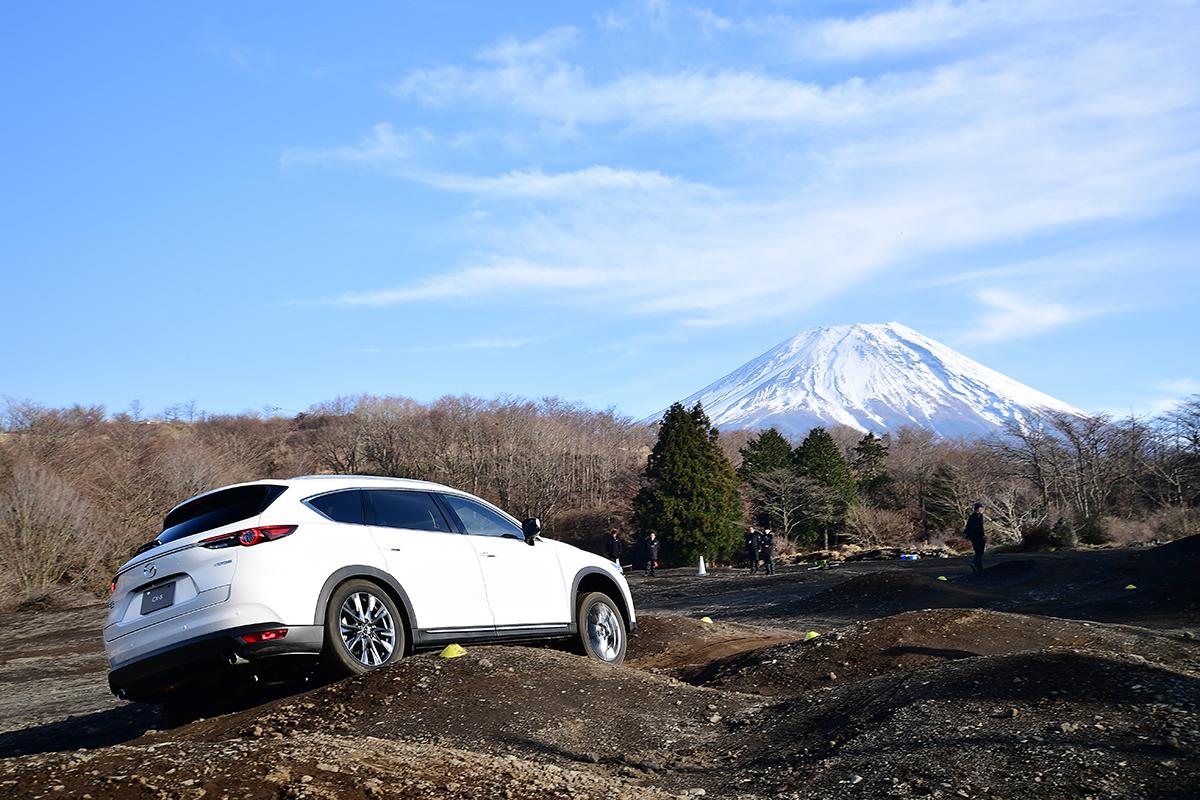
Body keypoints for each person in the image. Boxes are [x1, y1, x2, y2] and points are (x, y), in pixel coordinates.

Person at [964, 502, 986, 573]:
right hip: (978, 536)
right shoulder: (978, 516)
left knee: (977, 551)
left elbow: (967, 527)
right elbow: (979, 527)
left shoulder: (972, 516)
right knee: (980, 551)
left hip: (973, 536)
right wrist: (982, 535)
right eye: (981, 508)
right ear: (979, 508)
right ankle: (975, 563)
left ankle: (979, 566)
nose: (982, 509)